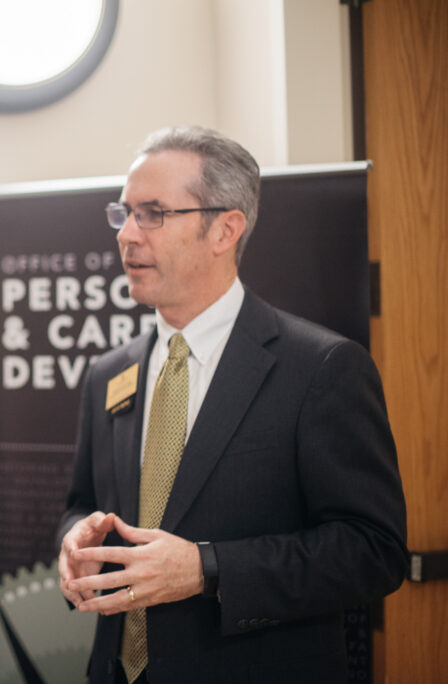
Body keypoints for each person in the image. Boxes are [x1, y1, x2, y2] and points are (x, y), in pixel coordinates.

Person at [56, 126, 407, 684]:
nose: (127, 236)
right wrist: (74, 539)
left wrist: (206, 568)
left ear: (225, 228)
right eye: (123, 213)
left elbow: (372, 551)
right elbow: (81, 503)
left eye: (152, 213)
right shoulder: (109, 373)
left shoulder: (320, 367)